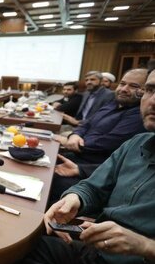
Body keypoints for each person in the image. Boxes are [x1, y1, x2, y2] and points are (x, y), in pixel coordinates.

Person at [0, 70, 155, 264]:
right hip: (93, 252)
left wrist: (145, 246)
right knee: (9, 253)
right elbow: (92, 186)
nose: (153, 100)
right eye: (151, 90)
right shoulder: (136, 143)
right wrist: (74, 198)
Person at [49, 69, 147, 204]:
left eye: (133, 86)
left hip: (94, 167)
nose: (124, 89)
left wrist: (75, 143)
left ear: (145, 91)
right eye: (122, 83)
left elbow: (108, 142)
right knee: (41, 159)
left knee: (48, 182)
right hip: (78, 155)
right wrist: (75, 135)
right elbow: (86, 124)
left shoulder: (139, 115)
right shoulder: (112, 103)